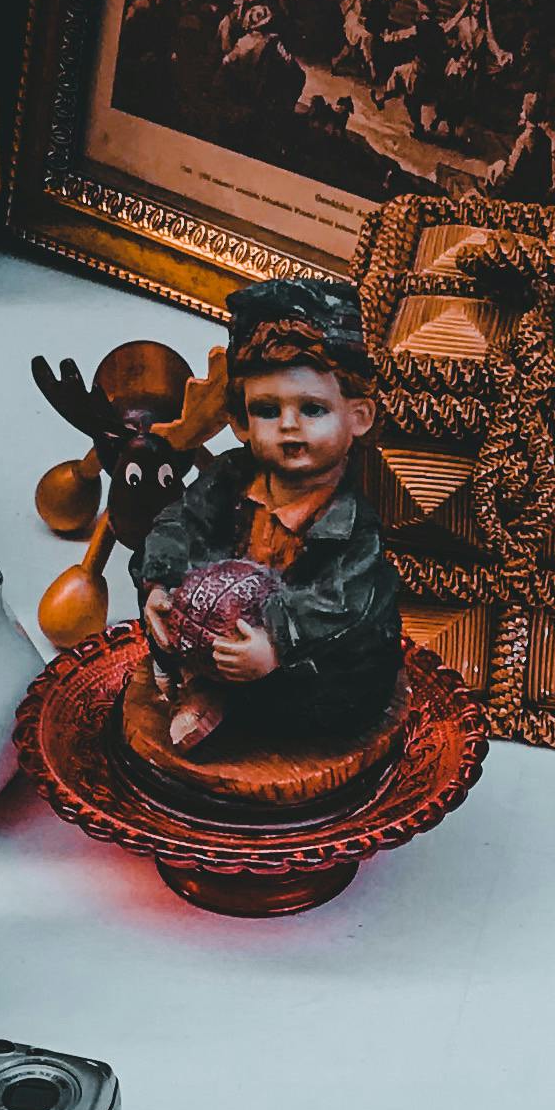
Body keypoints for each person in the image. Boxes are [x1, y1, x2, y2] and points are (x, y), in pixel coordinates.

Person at [133, 273, 401, 768]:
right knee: (168, 621)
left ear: (359, 417)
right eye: (267, 410)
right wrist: (159, 583)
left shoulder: (352, 519)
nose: (289, 427)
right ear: (240, 422)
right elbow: (178, 524)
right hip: (221, 630)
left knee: (330, 689)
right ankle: (199, 684)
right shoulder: (230, 480)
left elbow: (344, 601)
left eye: (314, 409)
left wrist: (278, 641)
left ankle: (224, 705)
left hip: (302, 659)